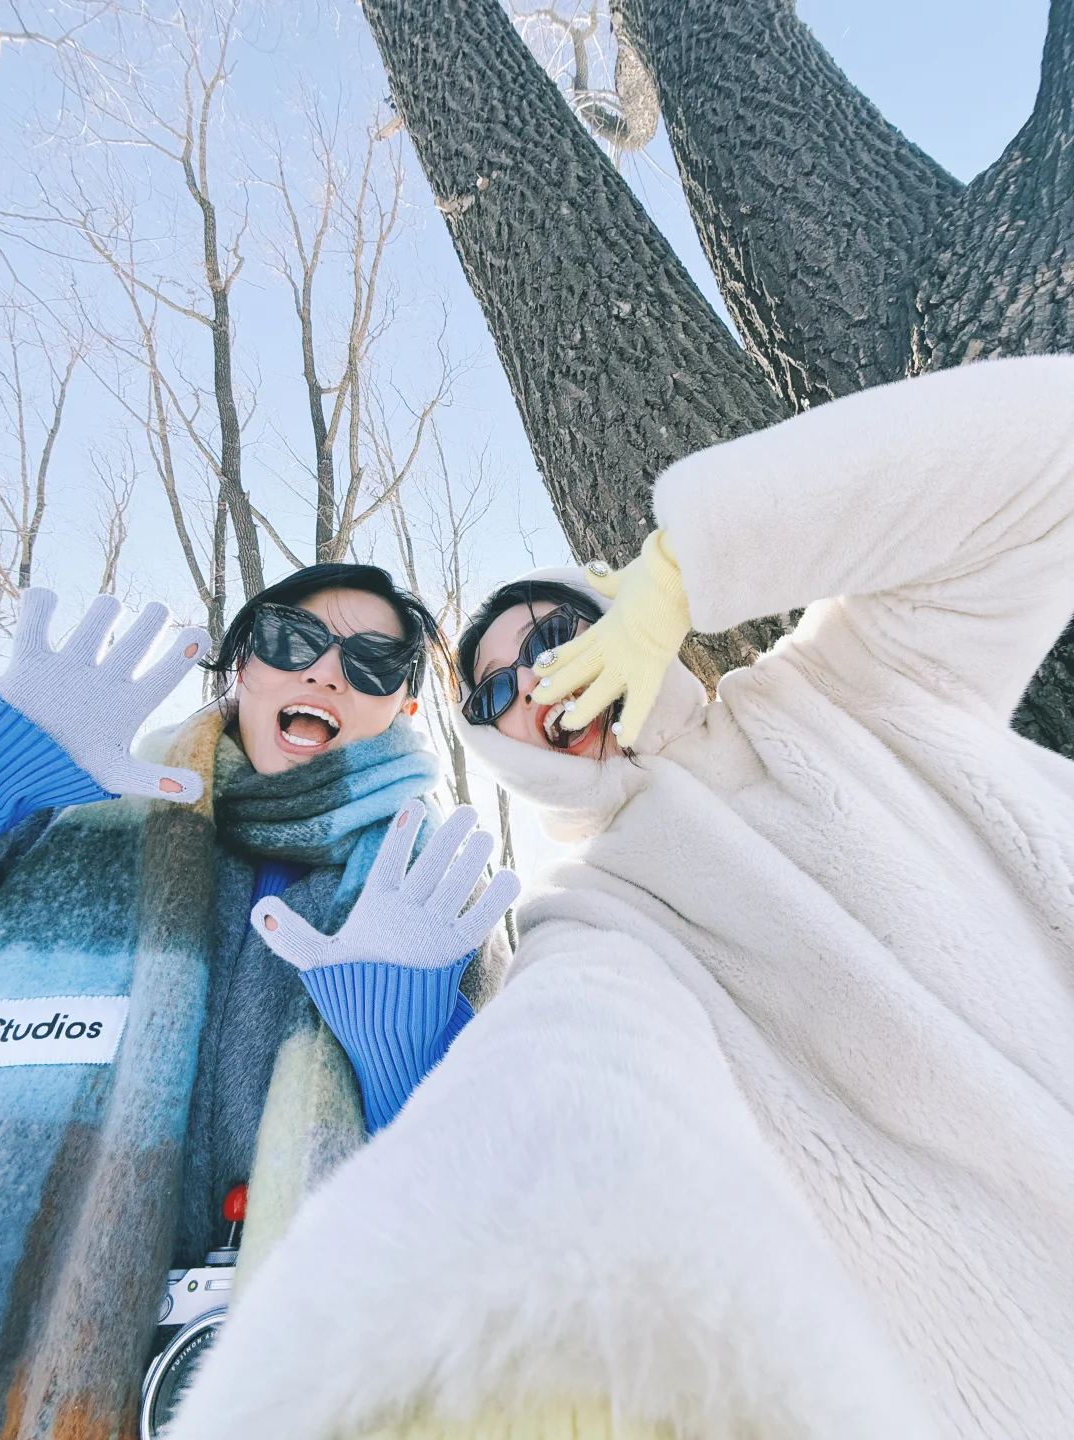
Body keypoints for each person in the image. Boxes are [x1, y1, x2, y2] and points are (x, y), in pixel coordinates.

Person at [167, 357, 1074, 1440]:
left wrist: (696, 558)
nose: (537, 682)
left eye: (554, 635)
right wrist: (497, 1351)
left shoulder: (860, 680)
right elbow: (571, 1073)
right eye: (497, 690)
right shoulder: (594, 917)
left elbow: (1049, 449)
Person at [0, 563, 516, 1440]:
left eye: (375, 664)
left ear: (406, 712)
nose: (325, 674)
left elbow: (501, 1205)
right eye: (291, 641)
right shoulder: (68, 811)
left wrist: (403, 1056)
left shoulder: (435, 900)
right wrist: (6, 776)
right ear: (242, 666)